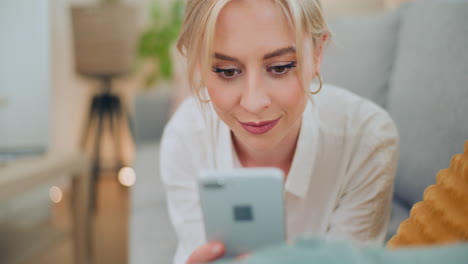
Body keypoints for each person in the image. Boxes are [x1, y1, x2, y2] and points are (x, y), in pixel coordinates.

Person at [160, 0, 399, 263]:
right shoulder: (184, 138)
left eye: (280, 67)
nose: (254, 103)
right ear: (199, 66)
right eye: (227, 71)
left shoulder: (367, 139)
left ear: (317, 53)